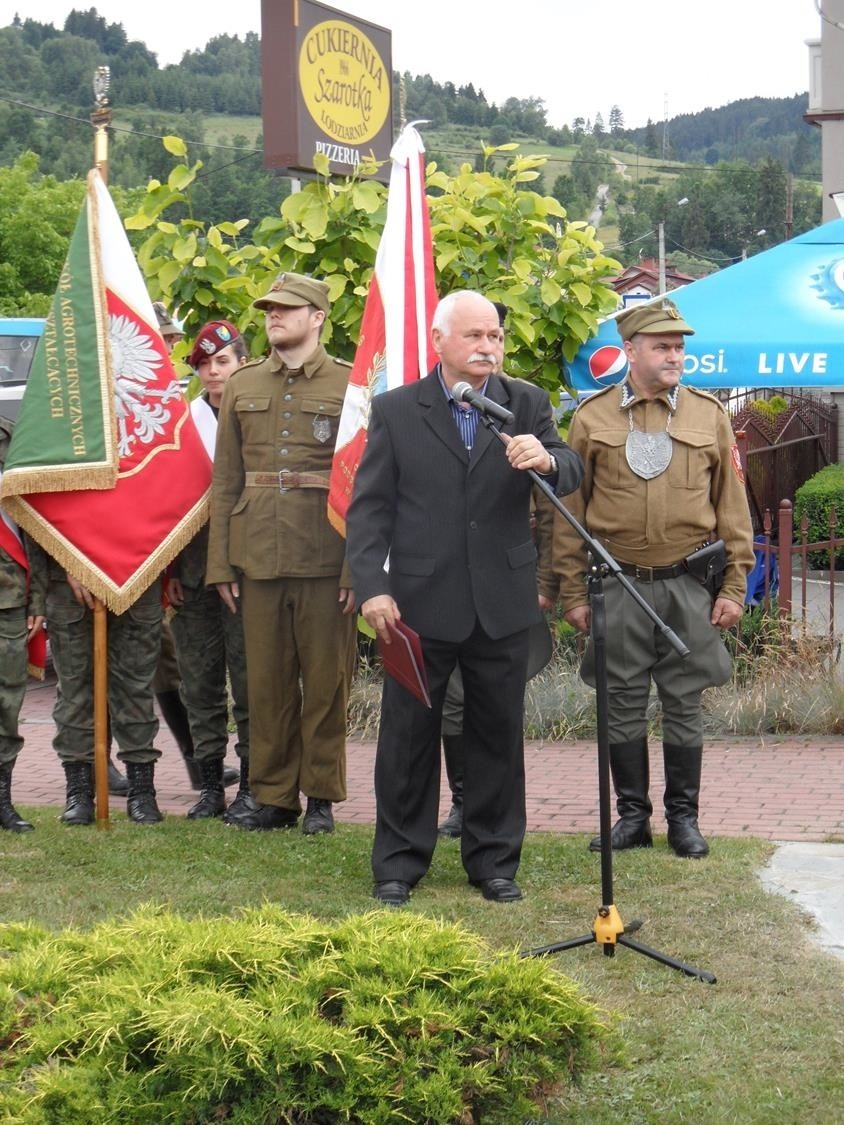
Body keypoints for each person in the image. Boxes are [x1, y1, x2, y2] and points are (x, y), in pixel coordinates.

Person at [346, 290, 583, 906]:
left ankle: (494, 861)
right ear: (439, 341)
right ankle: (398, 863)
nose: (488, 346)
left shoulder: (523, 402)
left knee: (496, 738)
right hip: (419, 603)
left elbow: (571, 465)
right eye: (475, 335)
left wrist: (549, 460)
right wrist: (373, 586)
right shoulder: (398, 410)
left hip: (502, 601)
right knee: (408, 740)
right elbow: (369, 511)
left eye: (496, 336)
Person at [552, 298, 755, 859]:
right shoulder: (591, 418)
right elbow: (567, 513)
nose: (675, 356)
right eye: (663, 346)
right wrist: (572, 591)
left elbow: (733, 510)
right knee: (620, 702)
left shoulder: (707, 415)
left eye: (680, 347)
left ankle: (683, 819)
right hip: (617, 586)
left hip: (688, 586)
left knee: (684, 703)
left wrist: (734, 587)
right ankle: (632, 819)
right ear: (633, 351)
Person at [206, 272, 357, 835]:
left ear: (317, 317)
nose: (274, 316)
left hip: (325, 552)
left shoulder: (349, 385)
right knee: (264, 684)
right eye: (270, 309)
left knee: (325, 682)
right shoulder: (243, 385)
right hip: (258, 553)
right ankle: (272, 797)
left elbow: (362, 483)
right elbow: (226, 481)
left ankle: (319, 797)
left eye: (288, 309)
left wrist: (356, 568)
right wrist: (221, 562)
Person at [167, 320, 250, 820]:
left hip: (246, 571)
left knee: (250, 681)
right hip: (194, 572)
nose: (213, 373)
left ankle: (254, 783)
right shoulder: (183, 423)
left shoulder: (258, 415)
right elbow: (167, 506)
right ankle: (210, 785)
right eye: (203, 365)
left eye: (222, 362)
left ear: (242, 361)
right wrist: (170, 568)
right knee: (198, 683)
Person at [0, 416, 46, 832]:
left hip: (8, 601)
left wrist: (37, 597)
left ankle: (2, 802)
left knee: (5, 704)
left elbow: (29, 526)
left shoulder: (13, 438)